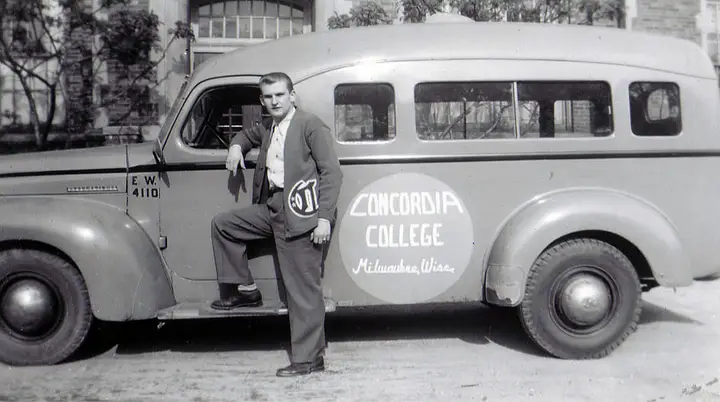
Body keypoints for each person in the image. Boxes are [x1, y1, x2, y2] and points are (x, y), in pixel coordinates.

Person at [209, 72, 343, 377]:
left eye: (280, 95)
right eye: (268, 97)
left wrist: (323, 218)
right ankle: (246, 290)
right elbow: (247, 134)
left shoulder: (310, 125)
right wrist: (235, 147)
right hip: (272, 208)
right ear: (262, 101)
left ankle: (310, 359)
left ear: (292, 96)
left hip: (301, 213)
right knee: (224, 225)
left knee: (302, 289)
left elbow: (332, 174)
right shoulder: (270, 126)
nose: (275, 101)